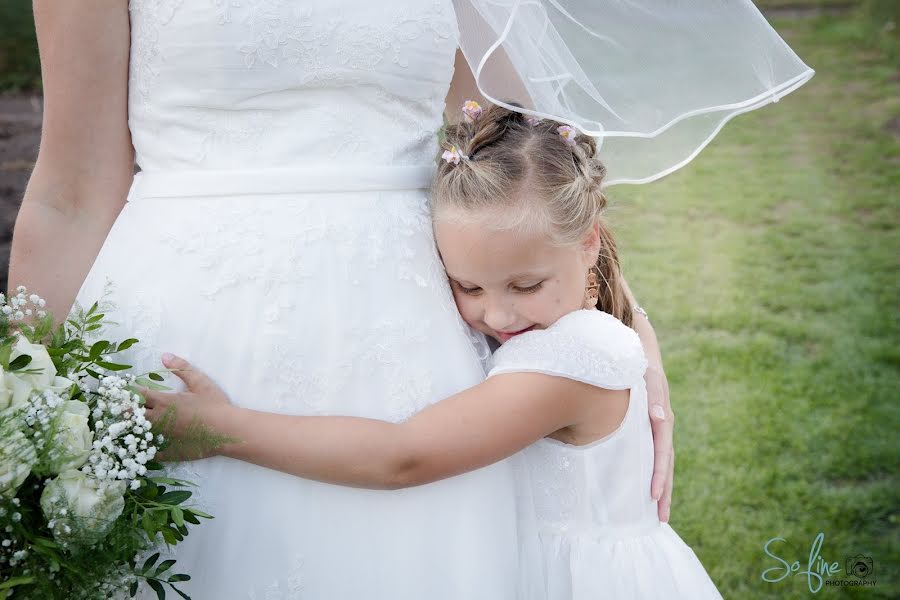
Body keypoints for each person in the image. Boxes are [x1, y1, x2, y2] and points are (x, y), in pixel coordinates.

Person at [14, 3, 676, 598]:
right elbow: (69, 191)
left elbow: (525, 158)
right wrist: (26, 403)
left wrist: (622, 323)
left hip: (412, 345)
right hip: (183, 332)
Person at [143, 104, 723, 599]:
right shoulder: (578, 331)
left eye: (525, 286)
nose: (496, 316)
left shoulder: (572, 356)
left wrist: (221, 429)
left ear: (588, 241)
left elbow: (403, 456)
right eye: (468, 287)